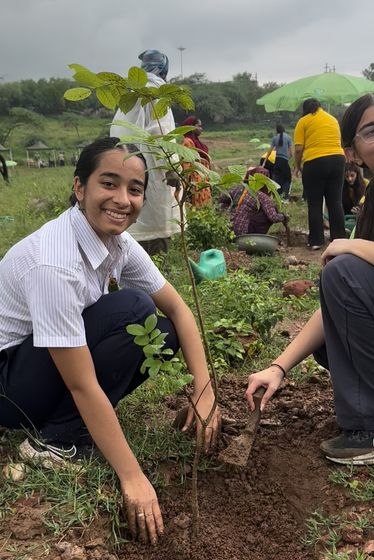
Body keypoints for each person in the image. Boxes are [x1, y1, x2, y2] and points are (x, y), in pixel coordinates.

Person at [0, 137, 220, 544]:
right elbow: (82, 382)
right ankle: (56, 441)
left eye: (134, 189)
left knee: (162, 333)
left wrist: (204, 389)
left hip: (38, 363)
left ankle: (68, 426)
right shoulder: (55, 261)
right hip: (7, 383)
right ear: (80, 187)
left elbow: (180, 311)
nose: (122, 199)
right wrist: (132, 476)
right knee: (133, 308)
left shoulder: (117, 242)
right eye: (109, 183)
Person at [246, 93, 374, 465]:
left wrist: (357, 248)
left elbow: (351, 269)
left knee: (344, 267)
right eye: (371, 130)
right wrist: (278, 367)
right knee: (337, 331)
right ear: (353, 154)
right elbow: (342, 300)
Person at [111, 49, 181, 256]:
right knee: (154, 229)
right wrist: (172, 171)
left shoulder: (131, 94)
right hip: (150, 169)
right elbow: (163, 135)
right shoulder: (157, 94)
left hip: (123, 165)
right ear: (163, 69)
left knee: (132, 223)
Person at [293, 98, 346, 249]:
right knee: (335, 202)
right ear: (320, 107)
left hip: (315, 161)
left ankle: (316, 241)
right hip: (338, 159)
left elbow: (298, 149)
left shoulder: (303, 121)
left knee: (315, 204)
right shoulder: (332, 119)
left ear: (305, 109)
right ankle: (339, 239)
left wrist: (297, 166)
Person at [232, 167, 287, 236]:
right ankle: (255, 236)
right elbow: (273, 217)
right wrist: (283, 217)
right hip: (244, 232)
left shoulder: (238, 189)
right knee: (269, 211)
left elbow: (221, 199)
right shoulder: (262, 196)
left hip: (229, 228)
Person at [181, 116, 212, 208]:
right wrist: (188, 182)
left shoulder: (197, 142)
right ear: (191, 127)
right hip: (196, 179)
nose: (201, 129)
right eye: (199, 126)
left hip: (203, 177)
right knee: (198, 205)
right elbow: (186, 163)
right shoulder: (188, 142)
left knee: (206, 206)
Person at [269, 123, 293, 201]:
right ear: (284, 129)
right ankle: (285, 197)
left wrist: (265, 161)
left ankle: (277, 197)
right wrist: (290, 160)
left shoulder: (274, 138)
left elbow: (270, 151)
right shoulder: (288, 137)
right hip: (284, 161)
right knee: (287, 179)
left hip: (277, 161)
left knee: (278, 179)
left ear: (277, 130)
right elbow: (291, 152)